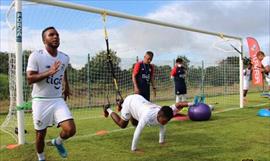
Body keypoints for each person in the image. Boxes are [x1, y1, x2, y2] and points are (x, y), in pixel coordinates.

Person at [26, 26, 76, 161]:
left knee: (70, 130)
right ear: (44, 39)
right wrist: (49, 72)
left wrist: (66, 86)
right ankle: (41, 158)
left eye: (57, 35)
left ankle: (58, 142)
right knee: (40, 135)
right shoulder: (36, 56)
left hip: (57, 99)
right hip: (40, 100)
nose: (55, 37)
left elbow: (63, 70)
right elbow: (30, 79)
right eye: (51, 35)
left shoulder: (65, 57)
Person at [103, 94, 193, 152]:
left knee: (134, 123)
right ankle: (108, 109)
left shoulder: (166, 111)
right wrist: (134, 149)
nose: (166, 122)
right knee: (122, 124)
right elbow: (138, 132)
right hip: (130, 102)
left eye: (167, 120)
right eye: (165, 120)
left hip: (139, 100)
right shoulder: (147, 116)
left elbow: (178, 105)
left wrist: (193, 104)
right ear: (159, 116)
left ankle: (121, 105)